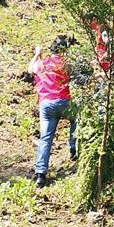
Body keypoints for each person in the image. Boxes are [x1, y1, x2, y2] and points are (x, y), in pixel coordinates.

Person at [29, 37, 77, 187]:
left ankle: (40, 174)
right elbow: (78, 76)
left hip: (45, 104)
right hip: (64, 101)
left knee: (45, 138)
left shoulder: (42, 64)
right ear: (64, 51)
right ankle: (74, 147)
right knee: (77, 119)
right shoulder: (66, 64)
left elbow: (30, 69)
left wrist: (37, 54)